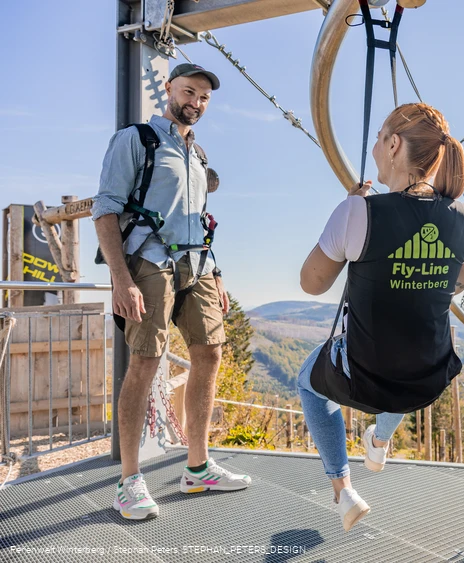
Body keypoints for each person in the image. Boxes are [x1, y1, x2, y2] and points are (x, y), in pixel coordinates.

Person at [298, 103, 464, 531]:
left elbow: (312, 283)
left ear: (394, 144)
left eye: (379, 139)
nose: (375, 150)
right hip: (428, 376)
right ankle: (379, 440)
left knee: (308, 384)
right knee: (405, 356)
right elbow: (460, 282)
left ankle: (343, 489)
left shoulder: (360, 212)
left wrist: (349, 213)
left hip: (362, 375)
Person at [92, 63, 251, 521]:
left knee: (211, 353)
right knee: (145, 361)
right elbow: (105, 210)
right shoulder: (137, 141)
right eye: (189, 92)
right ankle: (128, 481)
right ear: (168, 89)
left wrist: (216, 276)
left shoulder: (196, 156)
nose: (195, 102)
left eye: (203, 97)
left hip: (198, 264)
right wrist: (121, 279)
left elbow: (200, 218)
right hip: (149, 262)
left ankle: (197, 467)